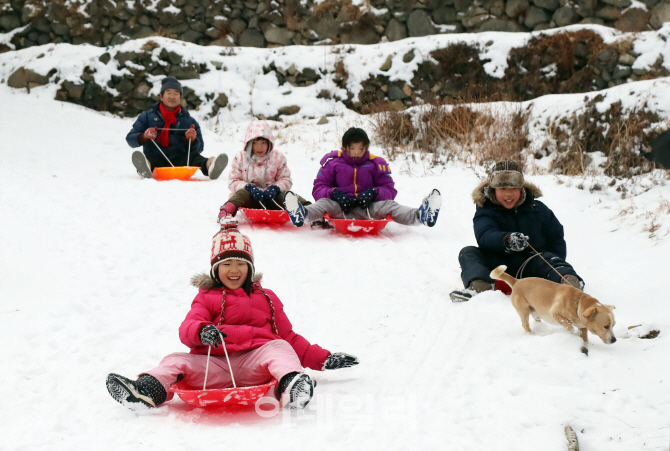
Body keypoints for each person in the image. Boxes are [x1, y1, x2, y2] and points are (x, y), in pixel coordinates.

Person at [106, 223, 358, 410]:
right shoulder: (205, 296)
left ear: (251, 267)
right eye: (226, 265)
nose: (234, 270)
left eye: (241, 264)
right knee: (174, 360)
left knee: (279, 347)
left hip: (254, 364)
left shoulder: (267, 297)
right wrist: (201, 331)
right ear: (216, 270)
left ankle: (292, 387)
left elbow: (289, 337)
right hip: (212, 366)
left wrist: (324, 359)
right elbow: (188, 327)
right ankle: (145, 393)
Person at [450, 160, 584, 302]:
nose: (509, 194)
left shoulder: (538, 209)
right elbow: (484, 235)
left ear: (521, 189)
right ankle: (480, 286)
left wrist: (553, 262)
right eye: (502, 189)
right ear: (493, 189)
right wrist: (506, 240)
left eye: (514, 189)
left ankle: (571, 288)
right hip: (497, 265)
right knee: (468, 252)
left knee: (550, 260)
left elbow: (556, 236)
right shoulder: (486, 210)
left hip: (530, 264)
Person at [282, 127, 441, 228]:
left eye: (361, 148)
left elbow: (389, 190)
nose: (357, 152)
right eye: (352, 148)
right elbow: (319, 188)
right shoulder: (333, 164)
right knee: (323, 202)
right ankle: (302, 214)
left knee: (390, 205)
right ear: (344, 148)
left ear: (367, 147)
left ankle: (421, 215)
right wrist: (334, 194)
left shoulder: (375, 164)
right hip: (340, 208)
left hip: (368, 208)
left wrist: (373, 193)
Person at [125, 76, 228, 179]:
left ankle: (211, 165)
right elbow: (130, 138)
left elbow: (200, 148)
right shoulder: (147, 116)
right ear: (161, 96)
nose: (172, 97)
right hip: (155, 158)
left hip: (182, 160)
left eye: (176, 93)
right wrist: (144, 137)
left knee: (196, 158)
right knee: (150, 159)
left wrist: (192, 140)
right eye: (168, 93)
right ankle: (145, 167)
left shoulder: (189, 121)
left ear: (180, 98)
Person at [218, 120, 310, 222]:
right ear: (249, 143)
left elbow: (286, 179)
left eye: (263, 143)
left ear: (269, 142)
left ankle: (310, 211)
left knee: (287, 195)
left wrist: (276, 188)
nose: (259, 147)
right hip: (250, 199)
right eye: (255, 143)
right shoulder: (240, 158)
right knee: (241, 193)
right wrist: (248, 187)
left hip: (272, 198)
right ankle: (225, 212)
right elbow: (233, 181)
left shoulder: (277, 157)